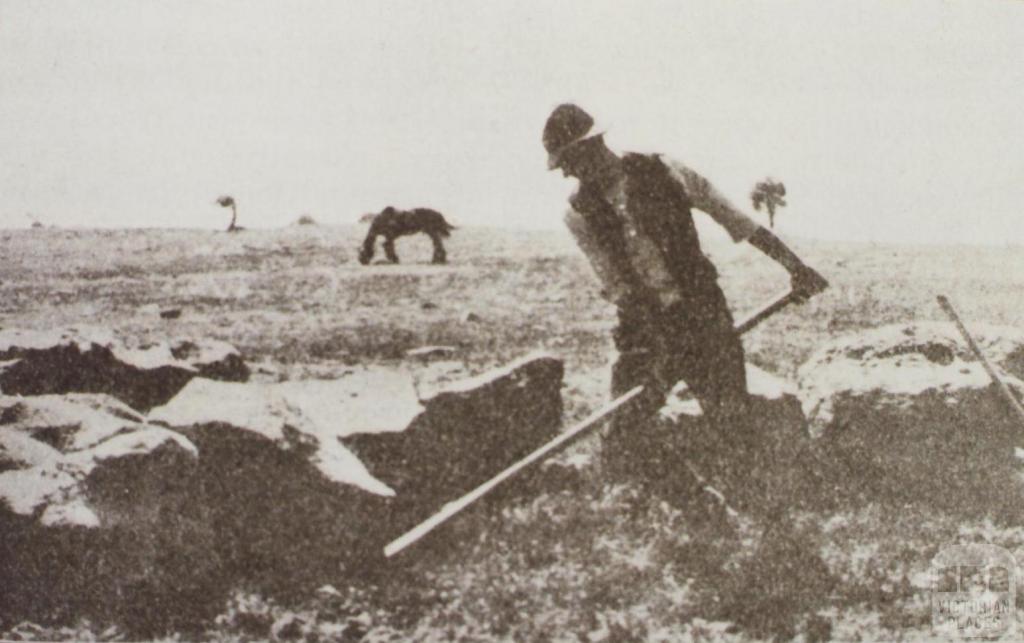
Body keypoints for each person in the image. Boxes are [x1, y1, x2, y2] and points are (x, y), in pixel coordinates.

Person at [542, 103, 828, 481]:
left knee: (730, 421)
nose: (566, 172)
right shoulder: (577, 212)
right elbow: (618, 286)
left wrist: (795, 267)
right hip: (642, 327)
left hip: (703, 314)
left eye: (568, 160)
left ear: (592, 147)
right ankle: (665, 502)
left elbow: (736, 220)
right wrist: (663, 345)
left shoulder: (666, 171)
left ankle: (752, 502)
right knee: (622, 435)